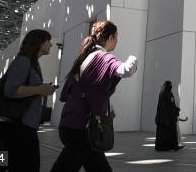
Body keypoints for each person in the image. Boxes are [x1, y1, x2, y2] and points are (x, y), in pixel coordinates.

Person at [50, 20, 137, 172]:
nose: (117, 40)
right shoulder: (102, 56)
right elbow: (126, 70)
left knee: (98, 167)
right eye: (116, 36)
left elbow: (73, 93)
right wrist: (132, 58)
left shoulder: (84, 58)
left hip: (70, 124)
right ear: (110, 37)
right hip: (83, 128)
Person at [0, 29, 57, 172]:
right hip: (18, 126)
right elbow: (11, 90)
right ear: (39, 43)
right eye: (48, 41)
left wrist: (42, 89)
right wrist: (40, 89)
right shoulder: (23, 61)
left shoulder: (31, 63)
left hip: (17, 124)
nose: (51, 45)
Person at [155, 80, 183, 151]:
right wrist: (166, 118)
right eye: (170, 85)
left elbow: (171, 105)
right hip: (166, 119)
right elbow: (164, 108)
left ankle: (170, 146)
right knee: (166, 133)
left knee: (169, 133)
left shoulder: (168, 93)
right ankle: (166, 147)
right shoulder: (164, 94)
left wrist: (176, 109)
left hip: (168, 118)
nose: (171, 86)